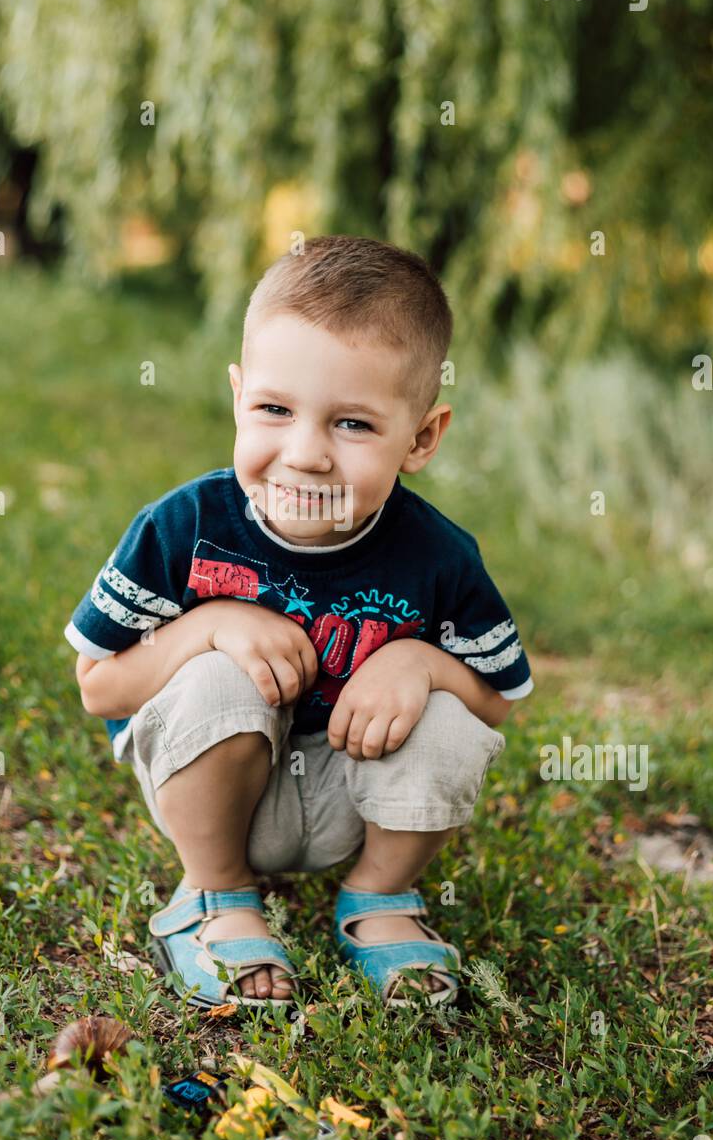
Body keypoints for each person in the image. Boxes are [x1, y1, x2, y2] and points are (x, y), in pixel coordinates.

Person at [65, 235, 533, 1011]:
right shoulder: (186, 527)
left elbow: (496, 701)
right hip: (229, 799)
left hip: (360, 801)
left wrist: (420, 663)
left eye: (352, 424)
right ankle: (213, 895)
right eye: (275, 410)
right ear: (238, 396)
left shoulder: (438, 555)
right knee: (215, 675)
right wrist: (208, 624)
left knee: (447, 714)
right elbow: (97, 687)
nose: (307, 453)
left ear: (421, 437)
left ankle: (379, 900)